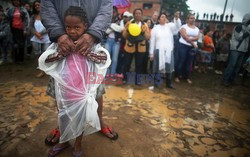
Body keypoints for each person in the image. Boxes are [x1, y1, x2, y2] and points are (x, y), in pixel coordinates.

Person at [40, 0, 118, 147]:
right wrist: (60, 34)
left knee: (95, 91)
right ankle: (63, 127)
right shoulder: (59, 48)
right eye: (69, 27)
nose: (73, 30)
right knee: (61, 93)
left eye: (76, 27)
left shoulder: (94, 51)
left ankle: (98, 121)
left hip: (92, 44)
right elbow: (47, 6)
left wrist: (92, 34)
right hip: (62, 44)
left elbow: (105, 8)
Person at [149, 12, 181, 89]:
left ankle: (168, 83)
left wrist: (176, 18)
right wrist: (151, 53)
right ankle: (156, 83)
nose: (164, 18)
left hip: (168, 51)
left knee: (168, 67)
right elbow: (152, 41)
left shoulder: (169, 26)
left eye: (165, 17)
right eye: (162, 17)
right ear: (159, 19)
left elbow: (177, 26)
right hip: (158, 50)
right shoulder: (155, 29)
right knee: (157, 67)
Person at [122, 8, 150, 85]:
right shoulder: (129, 23)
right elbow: (124, 36)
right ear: (134, 15)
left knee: (139, 65)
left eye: (139, 13)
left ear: (142, 15)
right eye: (136, 13)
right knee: (127, 64)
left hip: (141, 47)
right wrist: (127, 30)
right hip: (129, 47)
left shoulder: (145, 25)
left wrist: (143, 32)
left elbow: (148, 37)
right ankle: (125, 79)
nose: (138, 14)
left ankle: (138, 81)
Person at [223, 13, 250, 87]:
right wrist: (247, 33)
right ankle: (226, 79)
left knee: (237, 66)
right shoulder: (239, 26)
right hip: (236, 48)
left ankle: (232, 79)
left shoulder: (248, 27)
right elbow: (238, 37)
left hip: (243, 50)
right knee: (232, 65)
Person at [175, 13, 199, 84]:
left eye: (193, 18)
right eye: (191, 18)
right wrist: (194, 43)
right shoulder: (183, 27)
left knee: (189, 62)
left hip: (191, 48)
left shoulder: (197, 29)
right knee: (181, 61)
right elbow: (185, 37)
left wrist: (190, 38)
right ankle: (177, 76)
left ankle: (187, 77)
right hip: (183, 46)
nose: (193, 19)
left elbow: (197, 37)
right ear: (187, 19)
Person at [30, 0, 50, 78]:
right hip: (36, 38)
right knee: (37, 54)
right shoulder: (33, 16)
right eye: (36, 6)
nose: (37, 6)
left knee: (46, 54)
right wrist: (36, 34)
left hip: (46, 37)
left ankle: (47, 69)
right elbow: (31, 27)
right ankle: (41, 69)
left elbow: (49, 25)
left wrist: (41, 33)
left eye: (39, 5)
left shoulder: (47, 15)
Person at [104, 6, 123, 79]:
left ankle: (113, 74)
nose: (113, 13)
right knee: (107, 58)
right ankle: (106, 74)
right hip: (107, 41)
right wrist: (114, 28)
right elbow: (105, 31)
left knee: (114, 59)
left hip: (116, 42)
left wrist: (111, 26)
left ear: (116, 12)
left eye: (114, 12)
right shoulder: (107, 19)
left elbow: (121, 29)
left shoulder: (120, 20)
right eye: (111, 11)